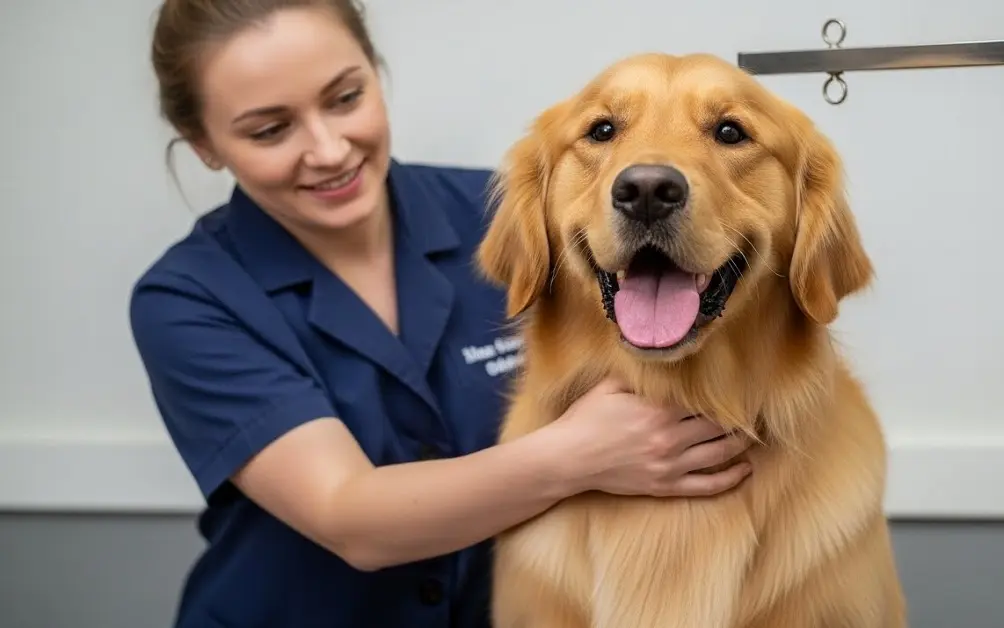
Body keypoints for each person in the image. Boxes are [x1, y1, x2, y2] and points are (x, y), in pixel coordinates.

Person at [128, 1, 754, 626]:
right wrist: (577, 455)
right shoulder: (188, 299)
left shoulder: (509, 218)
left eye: (346, 98)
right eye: (271, 130)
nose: (328, 149)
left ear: (375, 72)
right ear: (206, 146)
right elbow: (351, 519)